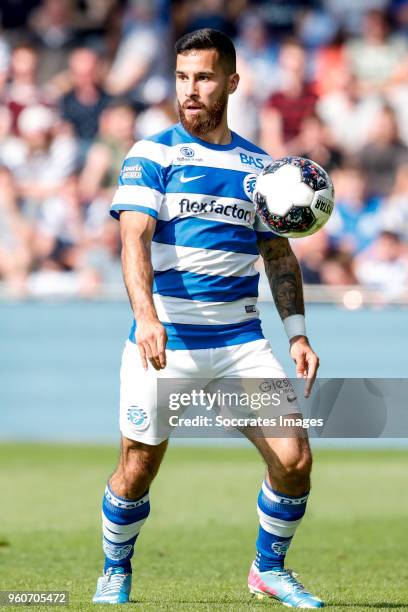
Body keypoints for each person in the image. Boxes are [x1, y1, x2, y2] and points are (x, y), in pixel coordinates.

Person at [93, 29, 323, 608]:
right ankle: (115, 567)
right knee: (137, 467)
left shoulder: (262, 171)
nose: (190, 90)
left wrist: (297, 334)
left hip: (242, 343)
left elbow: (278, 253)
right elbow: (133, 240)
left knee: (294, 460)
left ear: (232, 82)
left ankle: (268, 570)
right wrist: (146, 316)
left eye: (203, 77)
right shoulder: (153, 154)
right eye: (182, 77)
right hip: (166, 341)